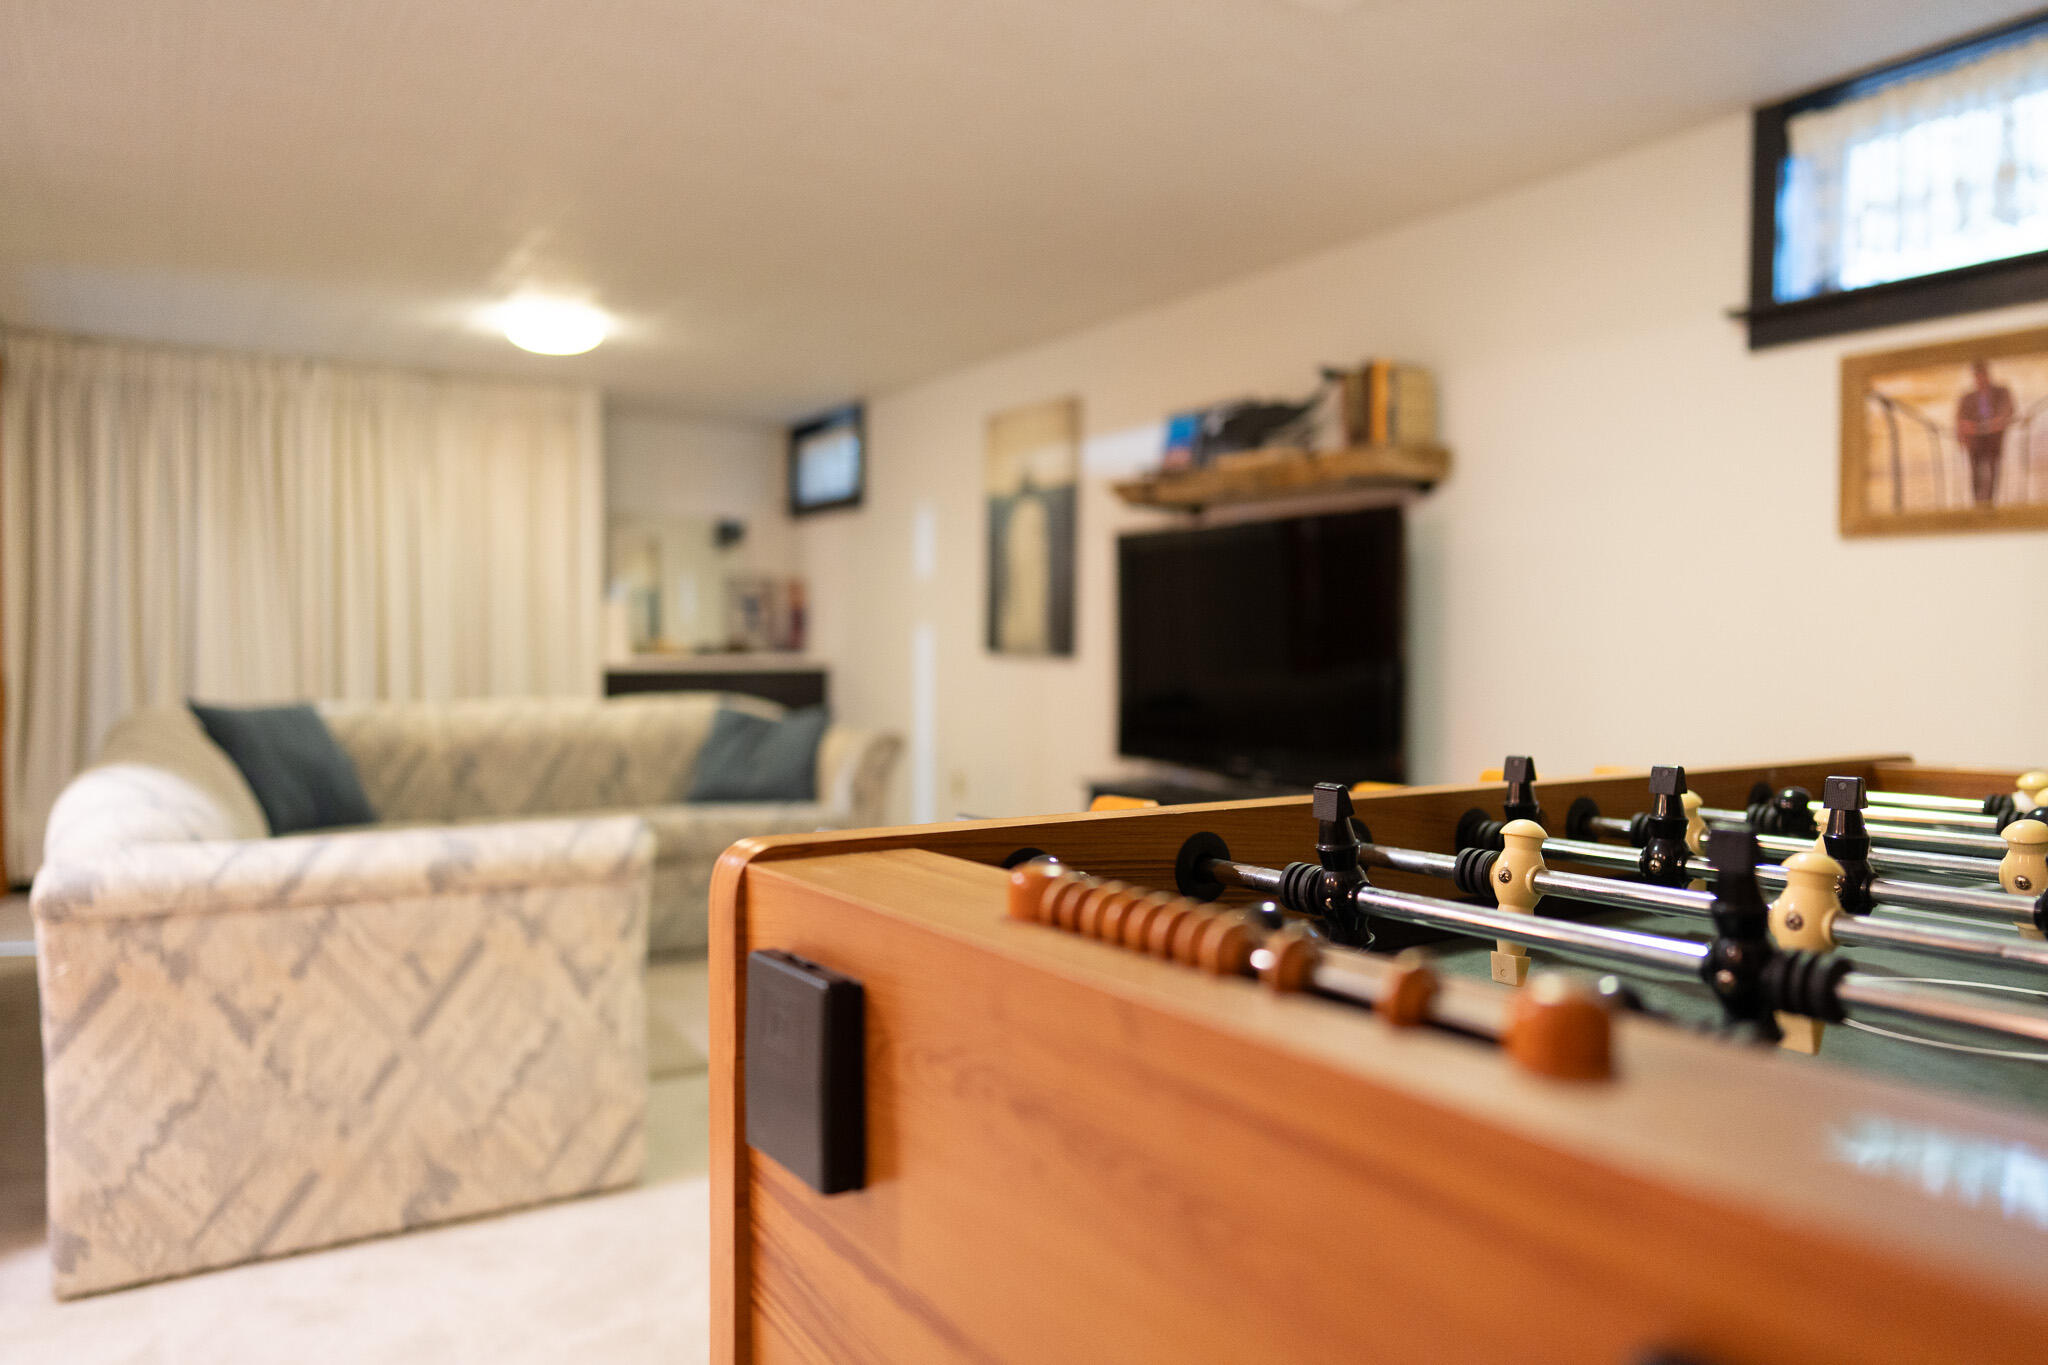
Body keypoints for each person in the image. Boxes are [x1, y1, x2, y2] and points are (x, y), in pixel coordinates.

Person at [1955, 359, 2015, 505]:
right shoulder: (1966, 397)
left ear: (1988, 374)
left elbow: (2008, 410)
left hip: (1994, 439)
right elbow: (1959, 420)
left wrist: (1999, 421)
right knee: (1975, 473)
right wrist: (1963, 433)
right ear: (1975, 377)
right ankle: (1978, 504)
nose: (1980, 378)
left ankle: (1990, 503)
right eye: (1977, 375)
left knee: (1993, 471)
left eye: (1983, 374)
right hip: (1975, 441)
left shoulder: (2002, 391)